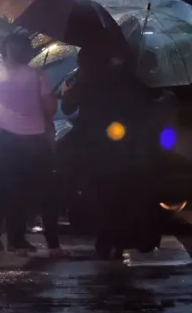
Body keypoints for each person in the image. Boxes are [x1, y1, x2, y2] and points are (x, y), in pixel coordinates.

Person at [61, 46, 165, 259]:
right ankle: (123, 240)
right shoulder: (129, 81)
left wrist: (66, 92)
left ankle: (106, 241)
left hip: (96, 147)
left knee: (102, 196)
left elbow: (68, 108)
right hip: (127, 147)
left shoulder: (85, 83)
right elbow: (146, 106)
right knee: (124, 194)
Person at [0, 32, 64, 255]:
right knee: (28, 191)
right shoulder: (37, 76)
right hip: (30, 141)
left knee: (3, 191)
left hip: (3, 140)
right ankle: (16, 239)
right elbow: (51, 109)